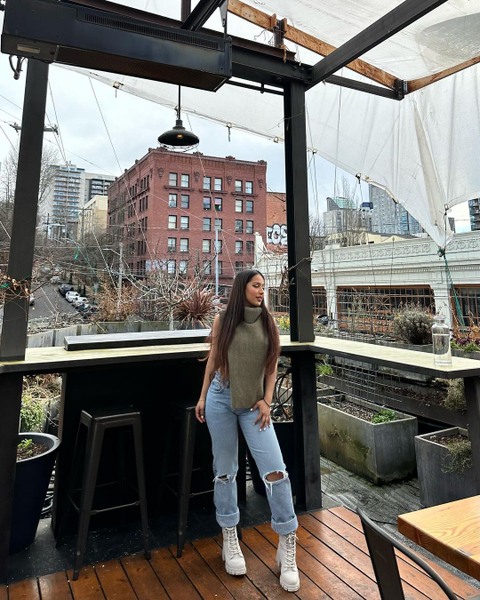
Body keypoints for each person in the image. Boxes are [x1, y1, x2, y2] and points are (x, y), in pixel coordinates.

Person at [195, 269, 300, 592]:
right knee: (225, 471)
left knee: (276, 472)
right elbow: (213, 361)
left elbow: (272, 368)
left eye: (263, 286)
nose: (260, 291)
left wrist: (267, 401)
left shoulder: (269, 323)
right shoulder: (223, 320)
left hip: (255, 405)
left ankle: (287, 543)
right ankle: (230, 537)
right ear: (242, 288)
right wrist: (202, 397)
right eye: (256, 285)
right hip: (221, 399)